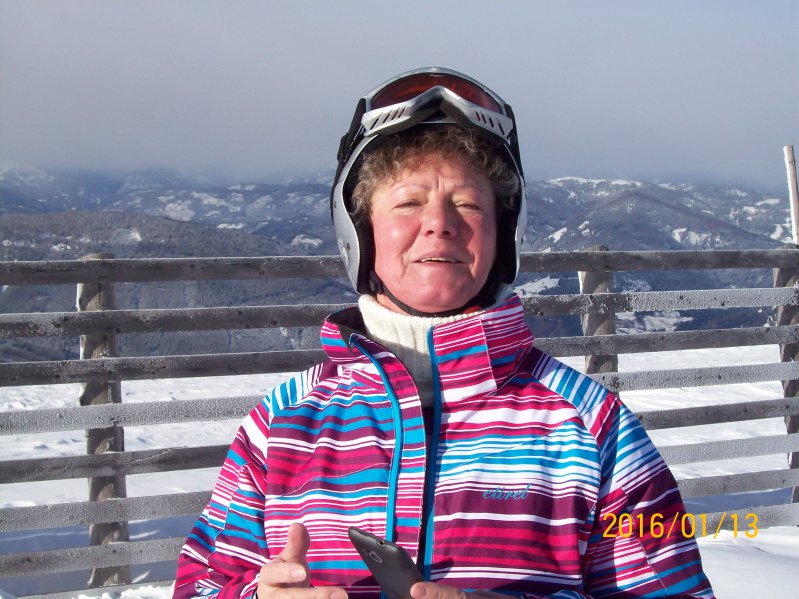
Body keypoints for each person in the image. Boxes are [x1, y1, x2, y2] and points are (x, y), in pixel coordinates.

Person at [174, 67, 715, 599]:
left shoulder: (592, 428)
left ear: (503, 235)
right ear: (360, 231)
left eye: (468, 203)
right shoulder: (283, 424)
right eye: (408, 202)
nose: (440, 223)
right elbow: (201, 585)